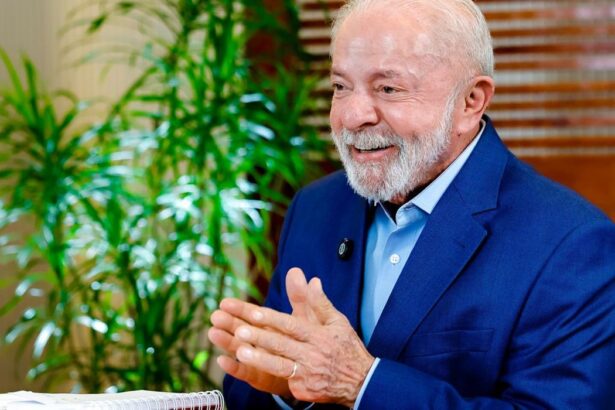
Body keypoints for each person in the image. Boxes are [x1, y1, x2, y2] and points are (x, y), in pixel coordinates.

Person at [207, 0, 615, 408]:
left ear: (470, 101)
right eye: (340, 87)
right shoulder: (315, 209)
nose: (353, 115)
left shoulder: (573, 246)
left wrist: (361, 384)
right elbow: (266, 385)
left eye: (388, 89)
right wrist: (285, 393)